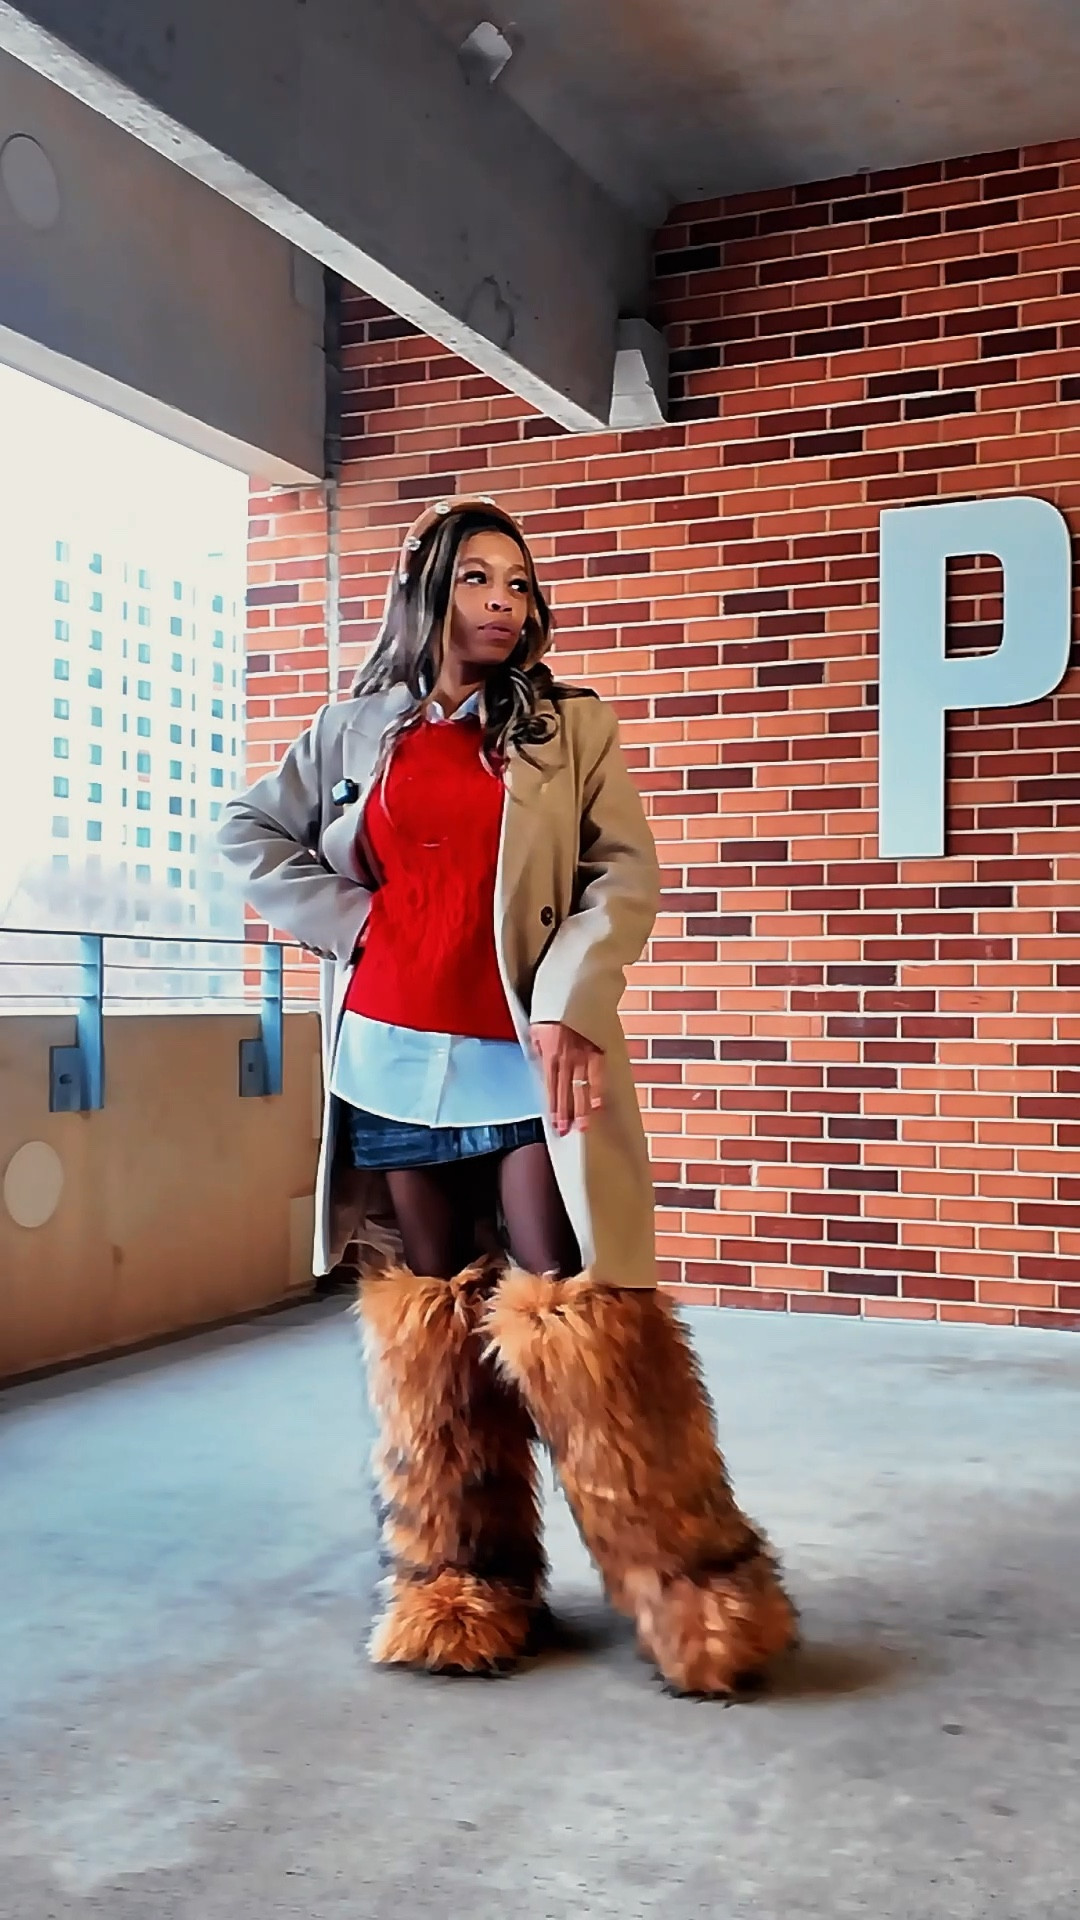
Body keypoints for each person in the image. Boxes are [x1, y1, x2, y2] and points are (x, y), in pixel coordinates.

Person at [219, 495, 795, 1696]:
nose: (504, 603)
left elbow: (622, 875)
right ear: (429, 590)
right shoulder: (350, 729)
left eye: (519, 584)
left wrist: (571, 998)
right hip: (390, 1052)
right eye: (479, 578)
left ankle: (690, 1583)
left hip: (523, 1055)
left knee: (574, 1305)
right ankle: (463, 1582)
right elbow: (248, 832)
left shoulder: (566, 727)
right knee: (437, 1325)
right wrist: (353, 922)